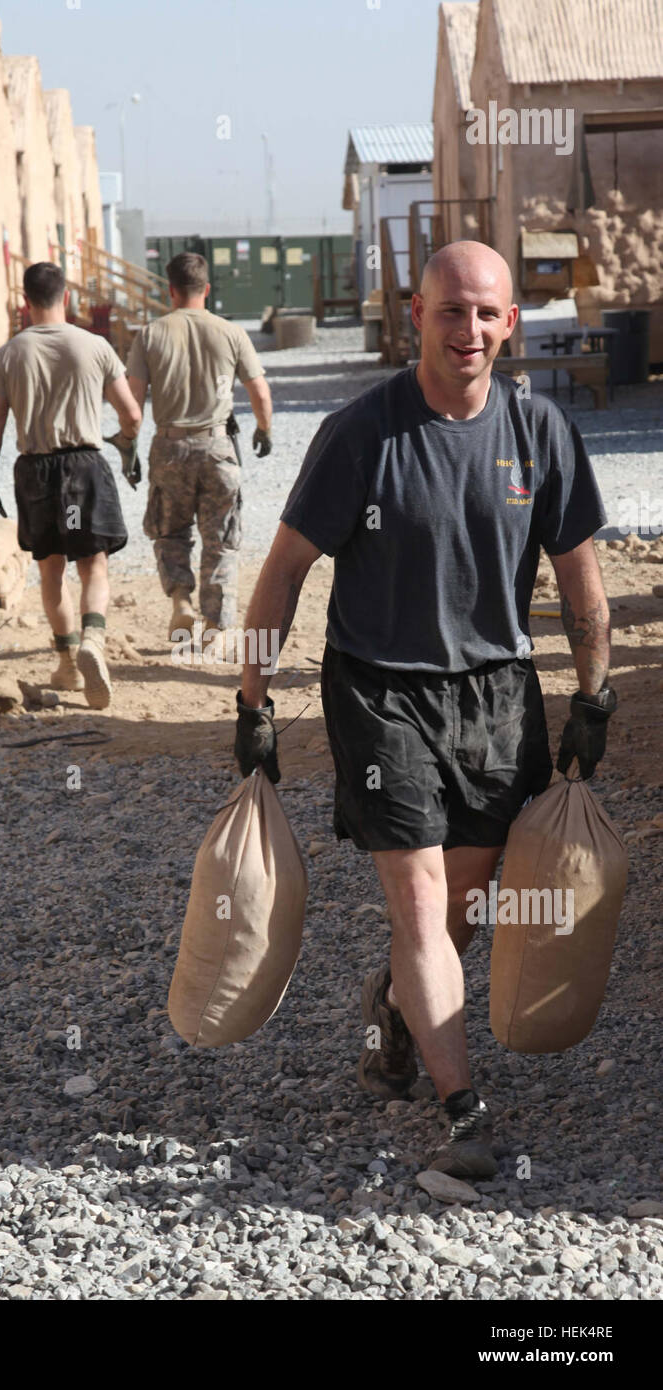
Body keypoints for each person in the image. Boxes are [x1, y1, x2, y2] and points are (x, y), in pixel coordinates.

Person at [234, 241, 615, 1178]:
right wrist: (253, 696)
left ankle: (396, 1005)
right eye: (451, 311)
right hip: (379, 691)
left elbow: (581, 583)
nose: (469, 331)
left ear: (511, 323)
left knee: (461, 915)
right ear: (416, 313)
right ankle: (461, 1112)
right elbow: (282, 574)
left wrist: (595, 693)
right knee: (418, 905)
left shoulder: (540, 435)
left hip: (495, 696)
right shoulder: (363, 433)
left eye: (487, 314)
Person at [0, 262, 141, 706]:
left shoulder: (9, 354)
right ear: (65, 297)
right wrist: (126, 446)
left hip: (36, 474)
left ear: (25, 302)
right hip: (84, 469)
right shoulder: (94, 345)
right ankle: (94, 638)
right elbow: (132, 414)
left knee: (52, 569)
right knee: (93, 565)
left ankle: (69, 664)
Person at [126, 252, 273, 641]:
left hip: (169, 447)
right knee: (221, 537)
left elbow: (133, 403)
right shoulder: (231, 332)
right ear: (206, 289)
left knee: (170, 532)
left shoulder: (150, 334)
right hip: (217, 447)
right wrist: (264, 429)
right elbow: (259, 391)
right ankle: (217, 627)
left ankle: (181, 602)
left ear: (170, 290)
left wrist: (129, 448)